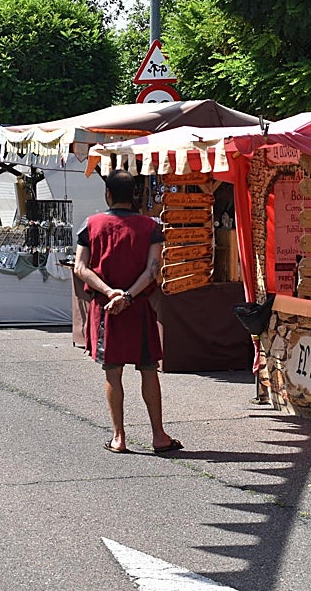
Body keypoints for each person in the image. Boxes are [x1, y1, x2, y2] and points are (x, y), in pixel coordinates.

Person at [74, 169, 181, 455]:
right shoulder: (151, 227)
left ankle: (119, 437)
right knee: (148, 370)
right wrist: (129, 296)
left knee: (113, 372)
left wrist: (110, 293)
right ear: (134, 196)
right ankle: (158, 435)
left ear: (107, 194)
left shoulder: (91, 225)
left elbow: (80, 268)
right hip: (137, 308)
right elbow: (152, 270)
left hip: (107, 310)